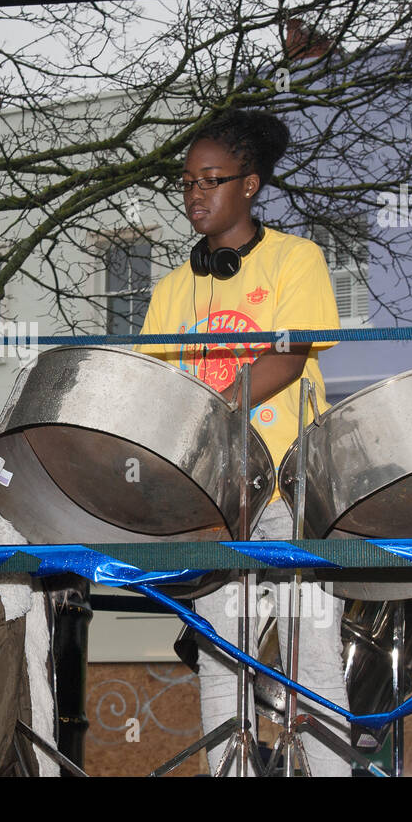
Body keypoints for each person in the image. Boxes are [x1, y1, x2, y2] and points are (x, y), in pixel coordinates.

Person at [136, 108, 349, 775]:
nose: (195, 194)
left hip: (287, 485)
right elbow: (154, 387)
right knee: (220, 658)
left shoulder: (295, 259)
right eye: (187, 182)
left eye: (212, 179)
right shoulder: (174, 289)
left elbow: (287, 357)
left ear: (249, 184)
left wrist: (211, 412)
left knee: (309, 652)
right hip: (213, 498)